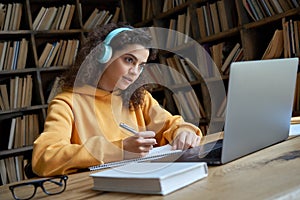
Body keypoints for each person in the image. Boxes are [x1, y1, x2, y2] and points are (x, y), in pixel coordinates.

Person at [32, 22, 202, 177]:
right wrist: (118, 149)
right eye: (129, 60)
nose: (135, 71)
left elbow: (171, 124)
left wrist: (183, 132)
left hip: (141, 181)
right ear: (103, 56)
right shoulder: (66, 104)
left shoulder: (140, 98)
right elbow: (45, 158)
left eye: (141, 65)